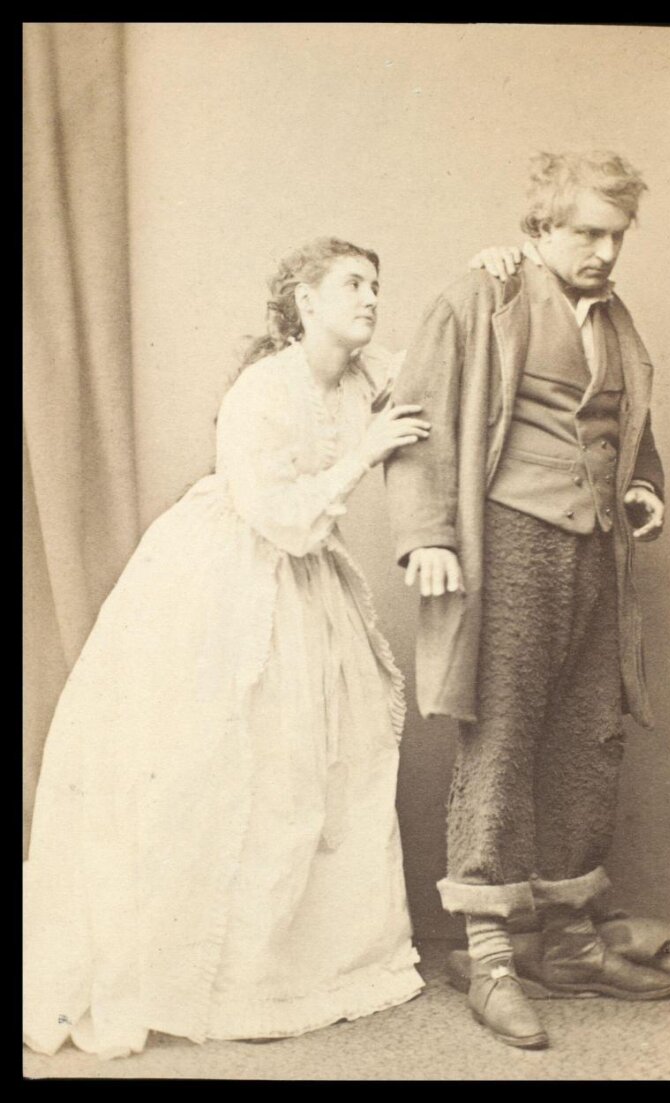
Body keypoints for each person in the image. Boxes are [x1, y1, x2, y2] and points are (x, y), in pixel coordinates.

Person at [23, 237, 433, 1059]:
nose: (369, 299)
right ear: (305, 301)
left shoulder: (366, 373)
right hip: (223, 574)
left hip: (304, 580)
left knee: (311, 768)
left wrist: (496, 267)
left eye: (376, 286)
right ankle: (199, 974)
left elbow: (441, 365)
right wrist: (364, 452)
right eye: (352, 284)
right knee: (214, 761)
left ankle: (283, 969)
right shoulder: (263, 388)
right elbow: (277, 516)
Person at [385, 152, 670, 1051]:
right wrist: (428, 534)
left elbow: (624, 425)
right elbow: (417, 421)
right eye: (586, 232)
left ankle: (570, 942)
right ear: (541, 227)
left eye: (616, 235)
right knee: (502, 735)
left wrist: (643, 487)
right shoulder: (483, 297)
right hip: (507, 545)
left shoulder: (613, 317)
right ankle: (488, 957)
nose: (604, 251)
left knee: (588, 736)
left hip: (597, 554)